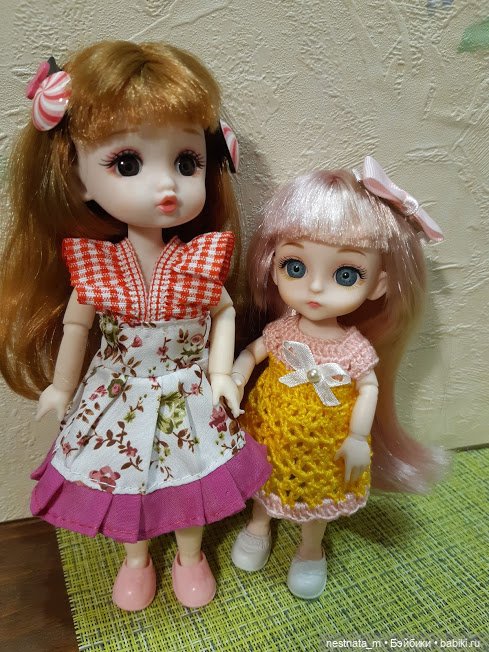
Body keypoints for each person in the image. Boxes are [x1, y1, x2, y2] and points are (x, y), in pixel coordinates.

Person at [0, 41, 270, 611]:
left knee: (192, 475)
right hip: (117, 392)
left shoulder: (198, 262)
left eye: (186, 163)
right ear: (78, 178)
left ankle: (190, 555)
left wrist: (222, 372)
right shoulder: (97, 268)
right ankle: (137, 558)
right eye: (127, 163)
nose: (166, 186)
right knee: (126, 479)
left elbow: (222, 310)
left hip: (188, 389)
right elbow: (78, 324)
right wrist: (62, 387)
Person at [230, 159, 448, 599]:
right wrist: (235, 376)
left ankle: (310, 548)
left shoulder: (351, 347)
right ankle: (259, 524)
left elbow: (368, 387)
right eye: (295, 267)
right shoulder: (283, 330)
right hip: (269, 429)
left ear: (377, 285)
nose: (315, 288)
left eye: (345, 275)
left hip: (326, 445)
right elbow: (254, 352)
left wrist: (358, 437)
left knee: (319, 497)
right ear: (273, 265)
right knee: (263, 477)